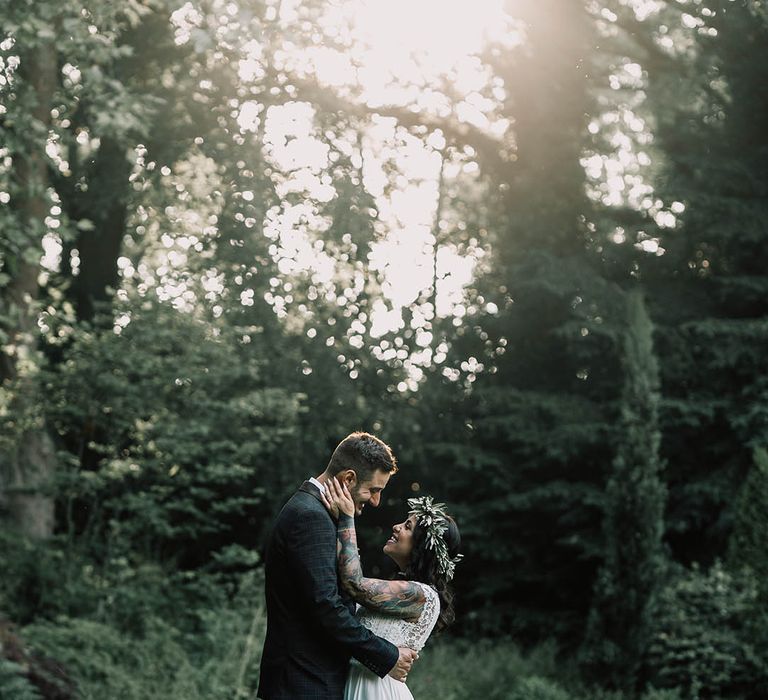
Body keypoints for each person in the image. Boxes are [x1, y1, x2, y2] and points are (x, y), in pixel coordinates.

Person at [257, 432, 418, 700]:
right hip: (302, 683)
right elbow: (327, 606)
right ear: (349, 479)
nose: (376, 501)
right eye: (374, 490)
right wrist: (387, 655)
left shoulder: (319, 513)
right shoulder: (311, 517)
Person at [320, 477, 462, 700]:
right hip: (356, 686)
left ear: (421, 547)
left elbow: (354, 584)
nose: (396, 527)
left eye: (407, 527)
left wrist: (347, 518)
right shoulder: (402, 587)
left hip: (378, 692)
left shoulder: (421, 595)